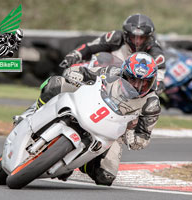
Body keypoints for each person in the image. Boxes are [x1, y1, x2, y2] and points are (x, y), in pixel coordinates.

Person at [14, 52, 161, 186]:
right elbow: (86, 73)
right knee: (56, 83)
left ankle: (77, 161)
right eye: (132, 79)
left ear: (152, 81)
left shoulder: (151, 104)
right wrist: (76, 74)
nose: (136, 85)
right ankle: (30, 114)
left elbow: (143, 138)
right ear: (124, 73)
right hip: (90, 104)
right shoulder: (112, 72)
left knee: (105, 177)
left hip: (114, 131)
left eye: (144, 82)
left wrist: (129, 132)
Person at [59, 13, 166, 94]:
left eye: (141, 38)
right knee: (72, 73)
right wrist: (74, 55)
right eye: (133, 37)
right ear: (126, 34)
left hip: (129, 88)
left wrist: (157, 84)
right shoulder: (115, 37)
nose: (137, 41)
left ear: (148, 37)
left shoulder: (155, 51)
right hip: (102, 75)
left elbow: (159, 78)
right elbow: (89, 47)